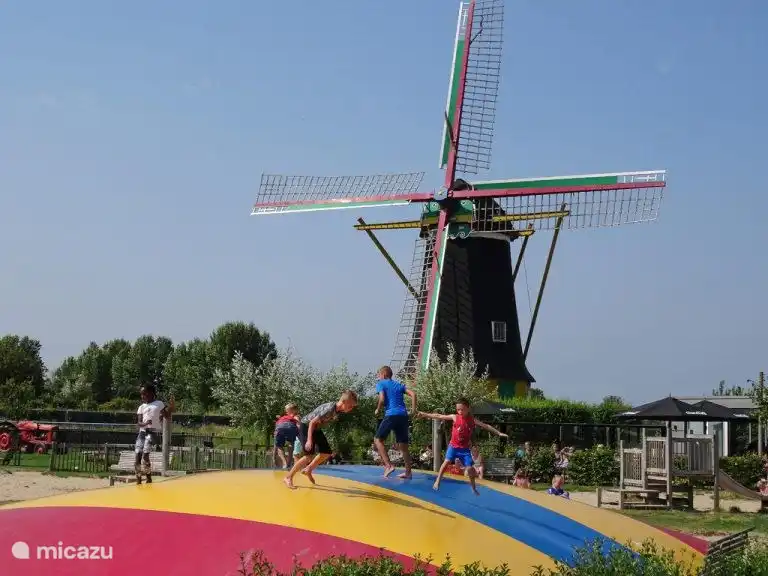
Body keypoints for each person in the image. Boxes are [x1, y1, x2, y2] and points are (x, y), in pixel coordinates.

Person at [418, 397, 508, 495]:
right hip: (453, 447)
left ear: (468, 408)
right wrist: (424, 414)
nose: (460, 412)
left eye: (462, 409)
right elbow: (438, 416)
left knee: (469, 469)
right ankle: (438, 481)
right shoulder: (455, 417)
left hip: (464, 450)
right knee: (446, 462)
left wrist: (498, 433)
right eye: (458, 409)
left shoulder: (472, 420)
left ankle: (473, 487)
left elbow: (486, 426)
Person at [284, 390, 358, 489]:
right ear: (343, 402)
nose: (351, 409)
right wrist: (309, 440)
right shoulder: (330, 409)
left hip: (316, 428)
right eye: (350, 406)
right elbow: (311, 423)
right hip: (306, 426)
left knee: (326, 452)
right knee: (308, 456)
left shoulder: (338, 410)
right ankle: (288, 477)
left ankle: (308, 469)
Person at [373, 365, 416, 479]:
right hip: (403, 415)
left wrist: (378, 409)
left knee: (378, 440)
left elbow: (381, 399)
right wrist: (413, 410)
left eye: (379, 375)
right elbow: (413, 394)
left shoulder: (381, 383)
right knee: (404, 446)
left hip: (391, 414)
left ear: (383, 375)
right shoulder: (398, 384)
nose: (378, 377)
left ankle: (388, 465)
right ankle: (408, 472)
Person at [135, 383, 173, 484]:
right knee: (137, 455)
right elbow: (139, 423)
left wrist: (171, 407)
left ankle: (148, 478)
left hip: (152, 433)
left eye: (145, 394)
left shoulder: (159, 403)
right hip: (142, 433)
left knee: (145, 455)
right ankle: (138, 479)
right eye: (141, 394)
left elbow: (167, 416)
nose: (143, 396)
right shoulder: (141, 407)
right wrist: (145, 423)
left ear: (152, 393)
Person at [273, 403, 301, 469]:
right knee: (290, 444)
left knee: (279, 446)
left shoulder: (290, 416)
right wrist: (299, 432)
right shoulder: (295, 416)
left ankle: (284, 463)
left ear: (293, 410)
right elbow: (298, 424)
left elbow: (282, 423)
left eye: (287, 410)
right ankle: (288, 463)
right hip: (290, 427)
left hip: (280, 427)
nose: (286, 412)